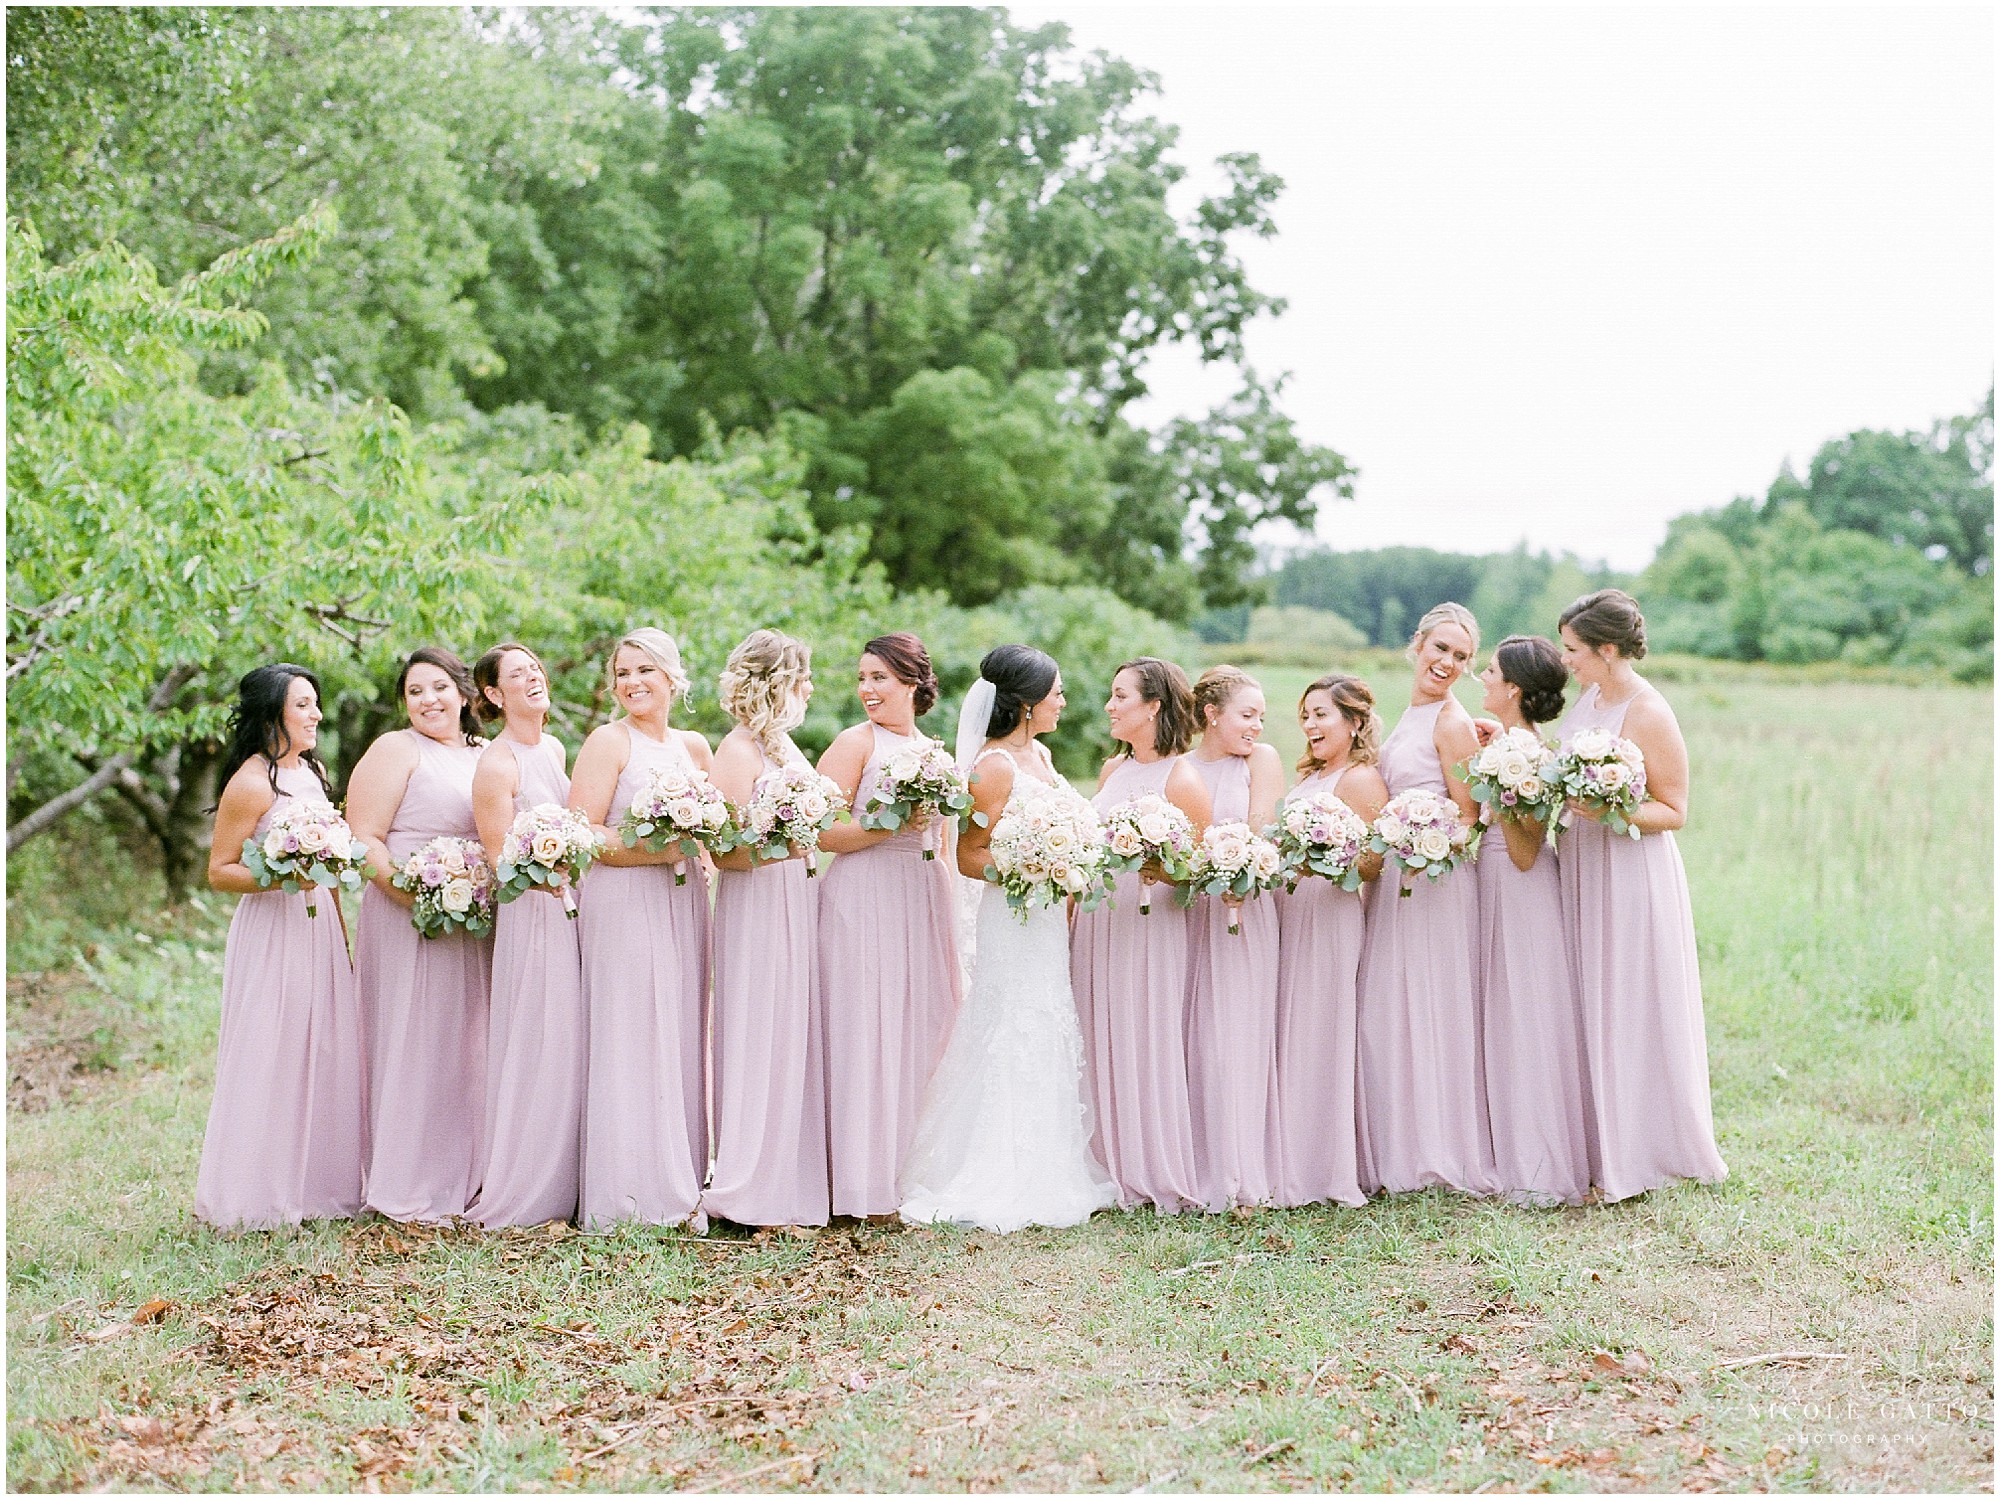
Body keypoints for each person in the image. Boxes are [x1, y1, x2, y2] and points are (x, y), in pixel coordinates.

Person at [899, 645, 1118, 1232]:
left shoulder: (1042, 754)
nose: (1065, 701)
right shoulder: (994, 768)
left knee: (1048, 1022)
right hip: (1013, 915)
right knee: (1012, 1024)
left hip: (1047, 918)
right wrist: (1032, 866)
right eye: (1057, 692)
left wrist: (1064, 862)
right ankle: (999, 1170)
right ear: (1026, 705)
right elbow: (969, 855)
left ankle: (1052, 1161)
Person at [1556, 588, 1727, 1200]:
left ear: (1606, 649)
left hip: (1630, 870)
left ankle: (1637, 1156)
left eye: (1574, 649)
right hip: (1581, 863)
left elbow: (1675, 809)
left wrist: (1608, 808)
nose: (1565, 658)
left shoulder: (1649, 711)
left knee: (1626, 999)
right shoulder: (1591, 694)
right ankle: (1597, 1143)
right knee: (1588, 996)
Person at [194, 663, 367, 1228]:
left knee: (322, 1046)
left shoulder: (311, 773)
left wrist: (340, 934)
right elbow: (219, 871)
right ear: (274, 714)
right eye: (304, 705)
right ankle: (251, 1196)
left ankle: (315, 1187)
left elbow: (332, 867)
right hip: (272, 929)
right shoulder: (250, 783)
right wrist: (284, 877)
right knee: (272, 1047)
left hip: (316, 928)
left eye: (315, 704)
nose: (316, 715)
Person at [569, 630, 714, 1231]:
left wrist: (694, 849)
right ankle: (626, 1192)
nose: (631, 682)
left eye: (645, 670)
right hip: (624, 900)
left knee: (678, 1029)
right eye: (622, 672)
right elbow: (582, 832)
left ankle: (680, 1177)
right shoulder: (608, 741)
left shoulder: (695, 747)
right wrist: (655, 847)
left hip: (683, 904)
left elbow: (713, 830)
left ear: (673, 679)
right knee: (631, 1030)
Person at [815, 633, 962, 1220]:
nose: (867, 690)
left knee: (923, 1021)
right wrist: (889, 824)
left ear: (911, 683)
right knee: (862, 1026)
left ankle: (906, 1169)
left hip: (921, 894)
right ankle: (856, 1180)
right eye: (862, 678)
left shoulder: (937, 754)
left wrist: (948, 907)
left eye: (878, 678)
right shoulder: (855, 744)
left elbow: (945, 842)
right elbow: (822, 832)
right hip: (862, 892)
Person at [1354, 602, 1497, 1196]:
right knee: (1390, 1004)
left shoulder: (1451, 722)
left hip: (1436, 883)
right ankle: (1396, 1145)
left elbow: (1471, 819)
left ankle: (1437, 1151)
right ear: (1417, 645)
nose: (1448, 663)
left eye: (1462, 657)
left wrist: (1422, 841)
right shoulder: (1406, 716)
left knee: (1429, 1004)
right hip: (1396, 878)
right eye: (1441, 649)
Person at [347, 647, 491, 1222]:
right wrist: (420, 898)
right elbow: (365, 841)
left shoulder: (487, 753)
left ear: (464, 694)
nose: (427, 700)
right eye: (414, 692)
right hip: (407, 915)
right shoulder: (395, 750)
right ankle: (407, 1179)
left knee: (468, 1043)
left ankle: (471, 1173)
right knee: (414, 1039)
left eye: (438, 688)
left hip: (476, 919)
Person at [1069, 658, 1212, 1213]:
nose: (1109, 705)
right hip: (1101, 918)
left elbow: (1197, 872)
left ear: (1152, 706)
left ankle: (1150, 1164)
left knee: (1142, 1034)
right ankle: (1103, 1159)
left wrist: (1159, 864)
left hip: (1152, 925)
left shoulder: (1184, 778)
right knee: (1095, 1029)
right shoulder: (1112, 771)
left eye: (1120, 696)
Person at [702, 629, 830, 1232]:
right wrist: (781, 845)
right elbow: (722, 850)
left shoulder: (780, 747)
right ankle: (746, 1192)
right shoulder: (738, 751)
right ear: (781, 682)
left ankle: (783, 1184)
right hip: (755, 902)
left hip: (794, 896)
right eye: (804, 677)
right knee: (759, 1031)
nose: (811, 689)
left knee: (789, 1033)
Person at [469, 642, 584, 1228]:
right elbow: (500, 861)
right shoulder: (497, 762)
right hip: (533, 915)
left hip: (573, 909)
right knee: (540, 1037)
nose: (534, 678)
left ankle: (571, 1175)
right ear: (494, 694)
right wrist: (554, 870)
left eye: (536, 668)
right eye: (519, 675)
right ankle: (527, 1188)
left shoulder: (556, 748)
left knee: (571, 1039)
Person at [1474, 636, 1590, 1205]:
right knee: (1506, 1012)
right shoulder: (1513, 743)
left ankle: (1538, 1165)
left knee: (1524, 1014)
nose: (1482, 676)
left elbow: (1524, 848)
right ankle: (1509, 1148)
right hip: (1500, 884)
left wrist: (1501, 797)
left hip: (1519, 886)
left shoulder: (1525, 756)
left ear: (1513, 688)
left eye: (1489, 670)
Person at [1272, 673, 1388, 1209]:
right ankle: (1289, 1150)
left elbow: (1371, 863)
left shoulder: (1360, 780)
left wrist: (1320, 856)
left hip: (1329, 916)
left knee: (1322, 1028)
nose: (1310, 725)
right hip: (1293, 913)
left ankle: (1324, 1164)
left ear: (1354, 721)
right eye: (1306, 715)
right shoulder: (1315, 775)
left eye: (1321, 714)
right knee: (1292, 1029)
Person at [1182, 665, 1285, 1211]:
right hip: (1194, 912)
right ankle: (1198, 1159)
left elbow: (1261, 827)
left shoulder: (1260, 761)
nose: (1256, 727)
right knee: (1196, 1034)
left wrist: (1236, 865)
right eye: (1247, 716)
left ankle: (1243, 1169)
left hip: (1246, 909)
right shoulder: (1183, 768)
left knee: (1239, 1034)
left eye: (1261, 717)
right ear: (1210, 715)